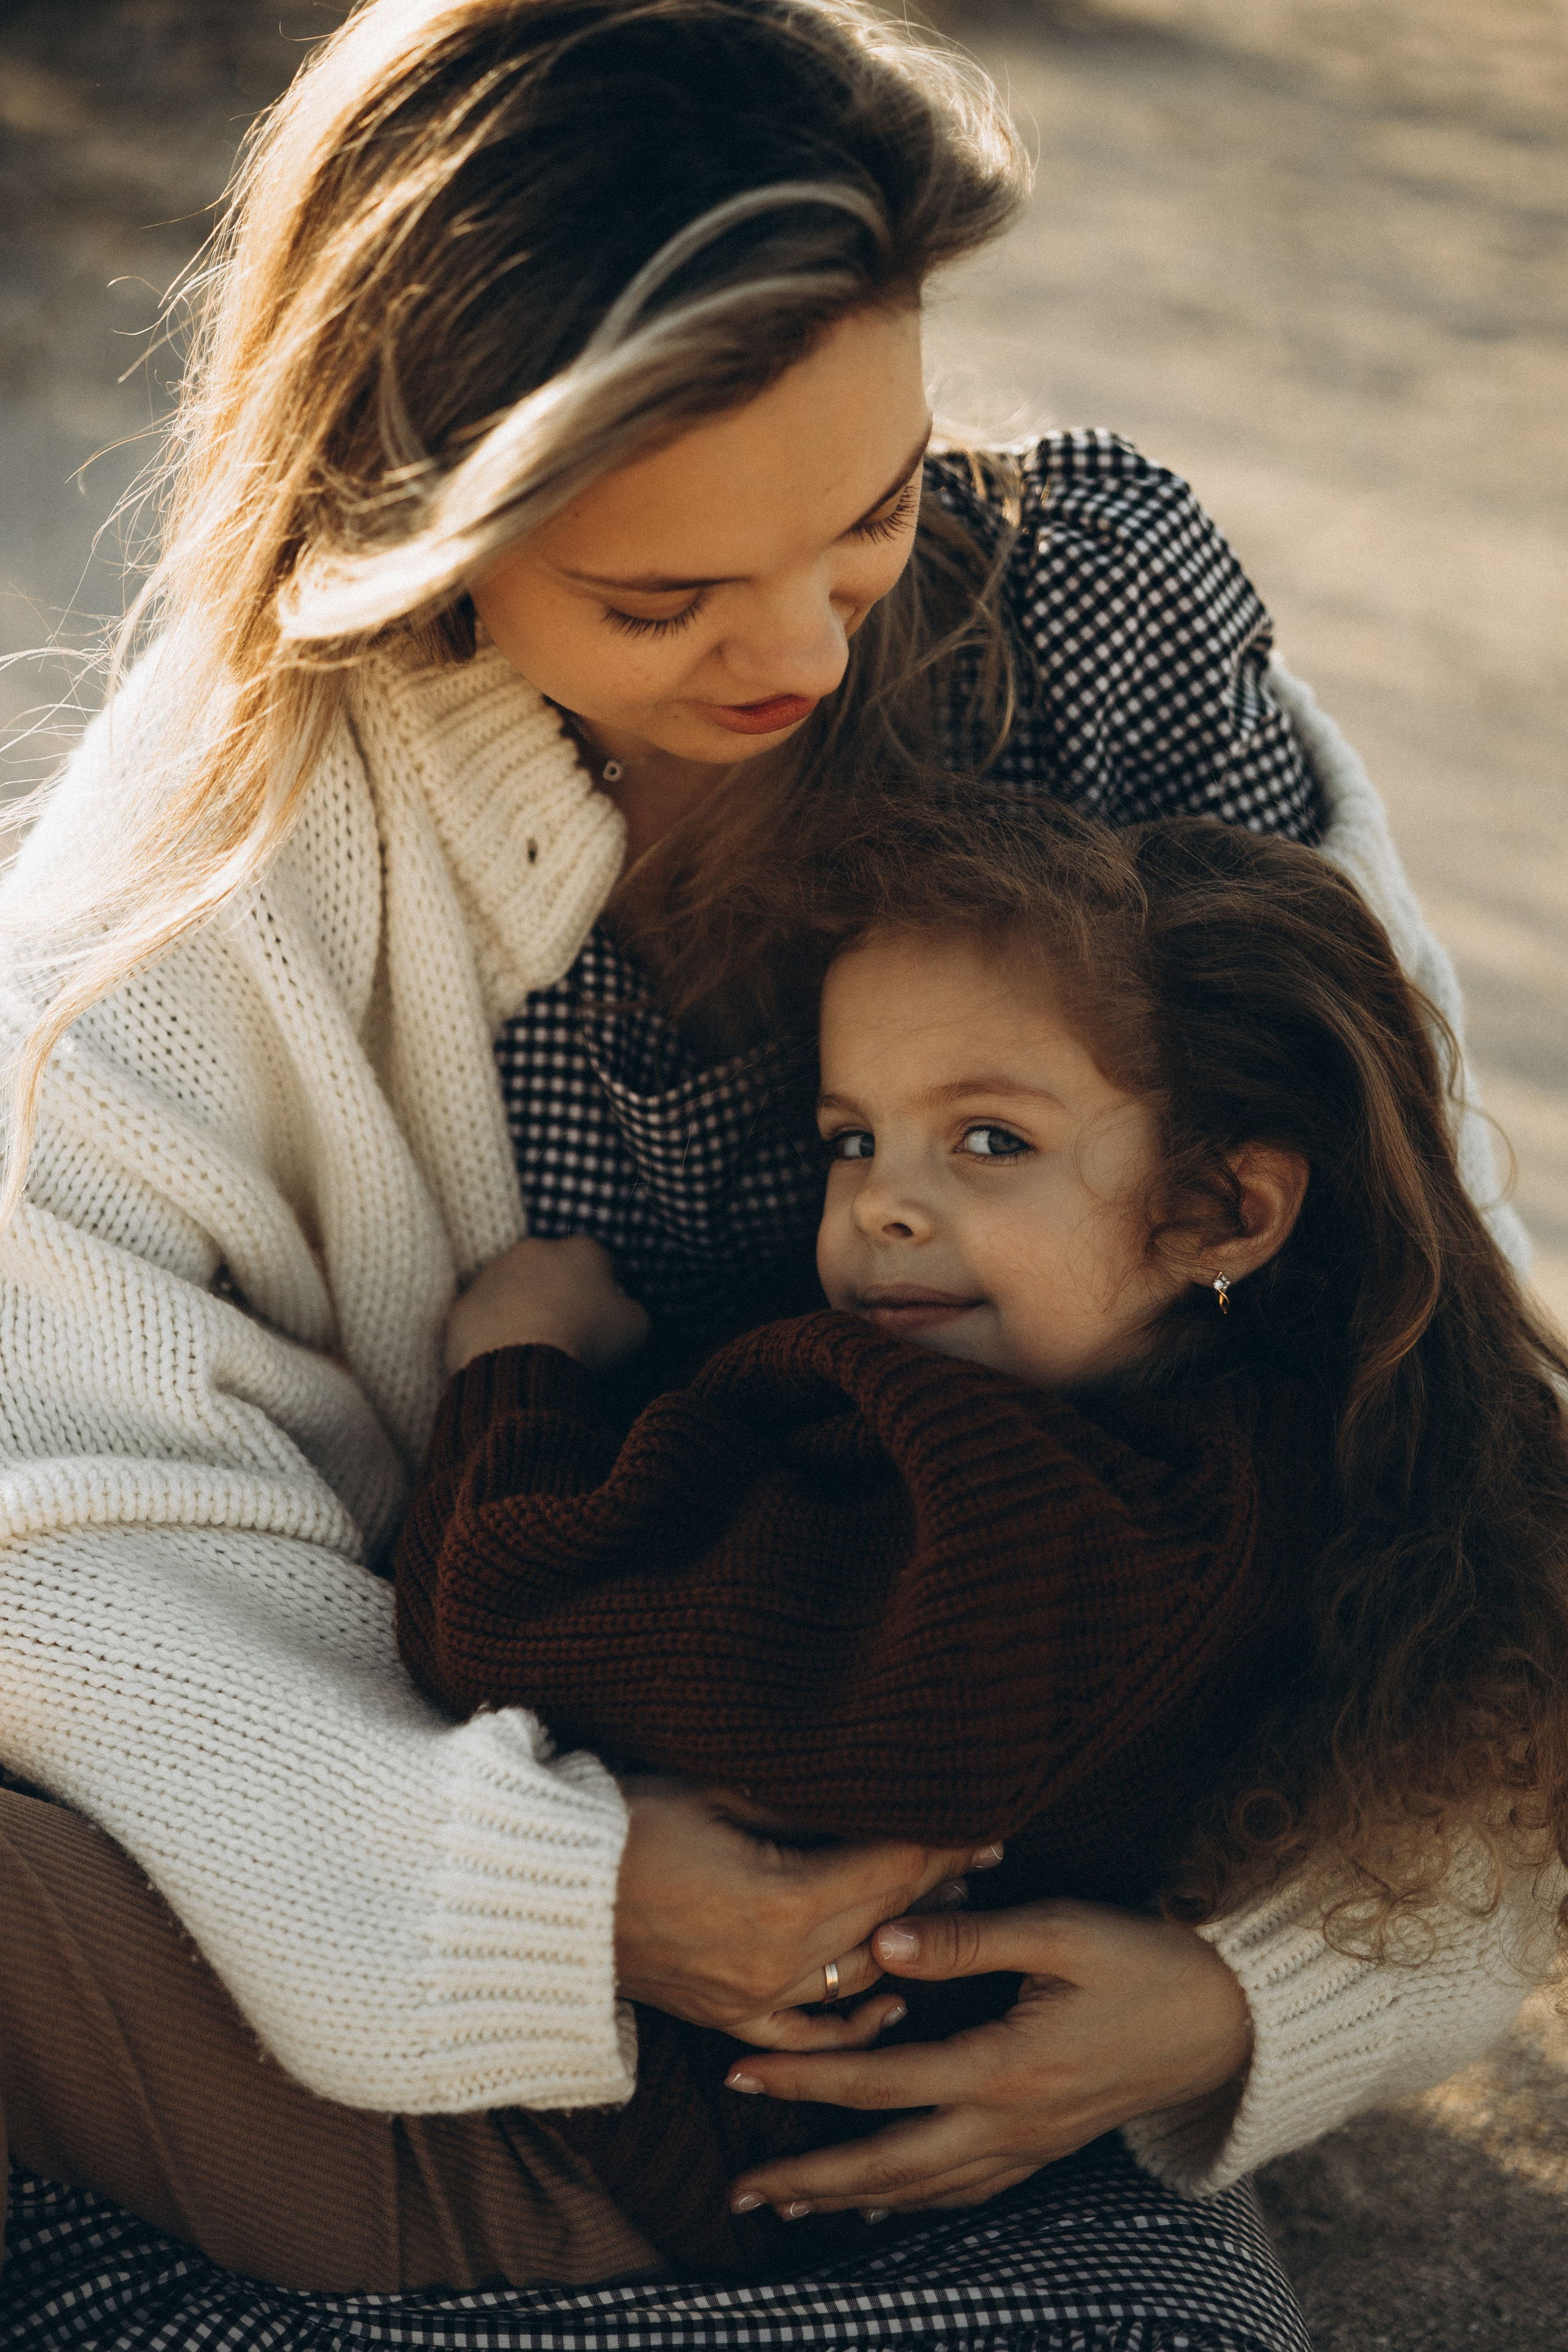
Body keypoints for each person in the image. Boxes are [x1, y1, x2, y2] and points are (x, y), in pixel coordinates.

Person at [0, 0, 1550, 2324]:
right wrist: (552, 1893)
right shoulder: (221, 859)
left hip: (994, 2045)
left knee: (1154, 2317)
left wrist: (1248, 2002)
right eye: (661, 600)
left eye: (872, 511)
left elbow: (1432, 1368)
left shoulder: (1097, 624)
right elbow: (64, 1523)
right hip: (382, 1920)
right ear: (401, 529)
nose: (808, 646)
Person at [387, 796, 1568, 2281]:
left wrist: (520, 1369)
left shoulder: (1036, 1526)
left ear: (1223, 1207)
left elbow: (503, 1616)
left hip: (611, 2164)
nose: (882, 1201)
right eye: (850, 1138)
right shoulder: (1294, 1453)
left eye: (990, 1140)